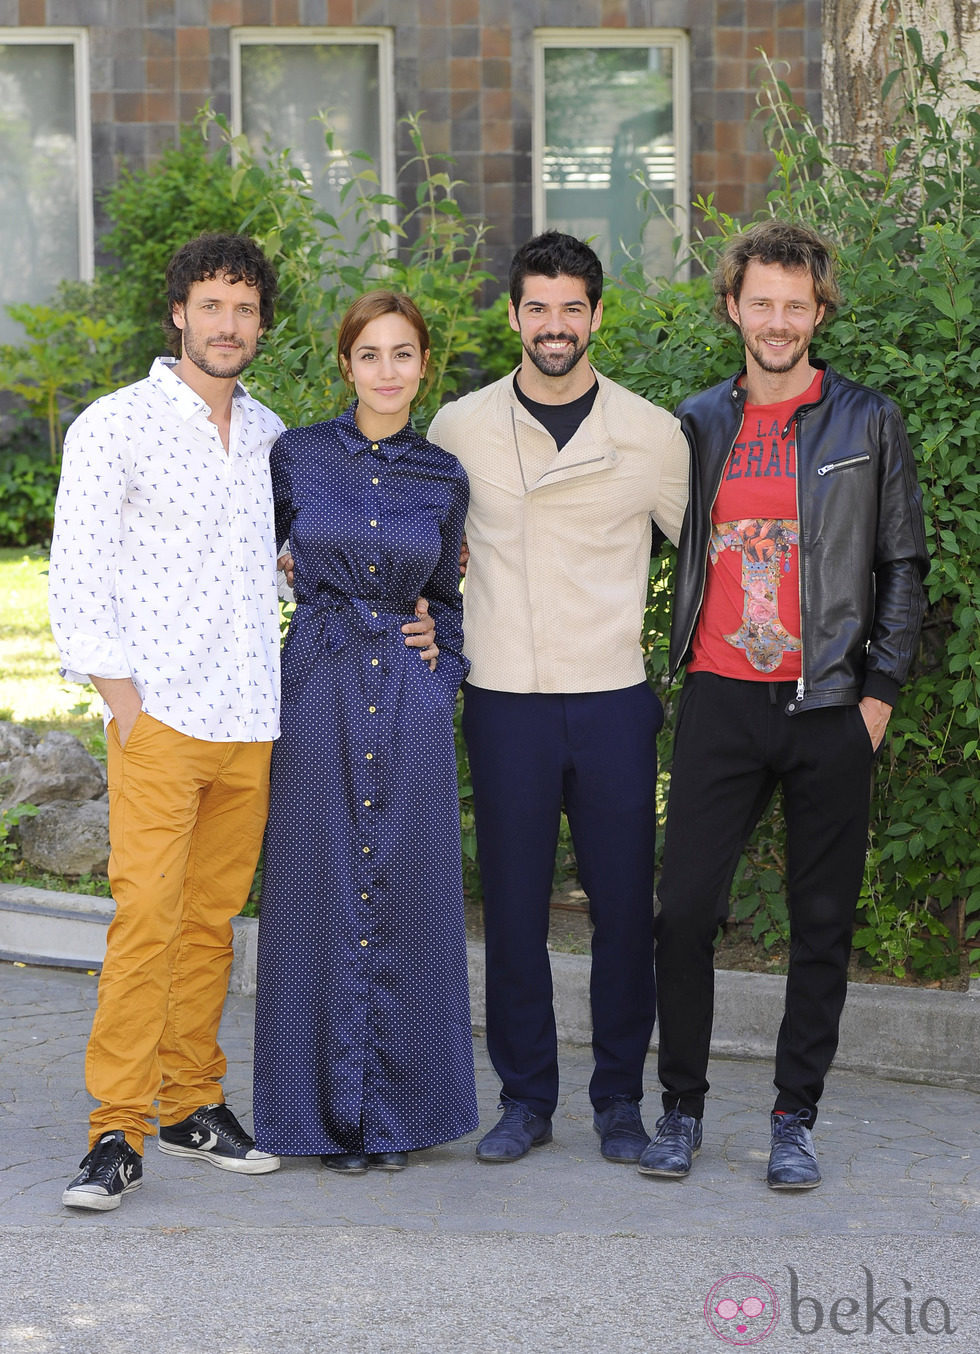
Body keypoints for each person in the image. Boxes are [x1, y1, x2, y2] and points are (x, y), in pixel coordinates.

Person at [48, 237, 436, 1210]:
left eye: (244, 309)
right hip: (161, 716)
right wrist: (124, 703)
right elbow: (76, 576)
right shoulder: (116, 426)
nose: (228, 324)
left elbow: (288, 560)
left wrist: (413, 606)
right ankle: (114, 1129)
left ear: (261, 324)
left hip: (253, 717)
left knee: (212, 924)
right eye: (211, 306)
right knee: (146, 920)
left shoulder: (273, 438)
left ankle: (188, 1101)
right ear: (178, 312)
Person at [642, 219, 928, 1190]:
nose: (775, 320)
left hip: (828, 707)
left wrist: (876, 696)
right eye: (758, 301)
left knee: (819, 923)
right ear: (732, 306)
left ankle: (791, 1117)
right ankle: (678, 1106)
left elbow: (900, 563)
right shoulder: (694, 424)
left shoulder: (865, 420)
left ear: (816, 312)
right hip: (721, 694)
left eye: (793, 305)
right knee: (681, 912)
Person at [428, 232, 689, 1165]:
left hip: (615, 699)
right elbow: (424, 549)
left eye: (571, 307)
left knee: (625, 908)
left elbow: (706, 559)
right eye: (537, 307)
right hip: (506, 701)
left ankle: (619, 1100)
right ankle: (526, 1099)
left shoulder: (654, 436)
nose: (554, 325)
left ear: (597, 318)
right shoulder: (458, 428)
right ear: (512, 316)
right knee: (511, 907)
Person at [252, 291, 478, 1172]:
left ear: (424, 365)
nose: (387, 371)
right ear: (345, 366)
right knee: (317, 888)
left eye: (404, 354)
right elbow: (253, 567)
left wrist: (443, 659)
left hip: (411, 698)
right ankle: (326, 1119)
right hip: (316, 685)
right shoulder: (295, 457)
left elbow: (450, 602)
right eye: (370, 355)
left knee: (412, 892)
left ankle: (397, 1121)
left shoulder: (444, 476)